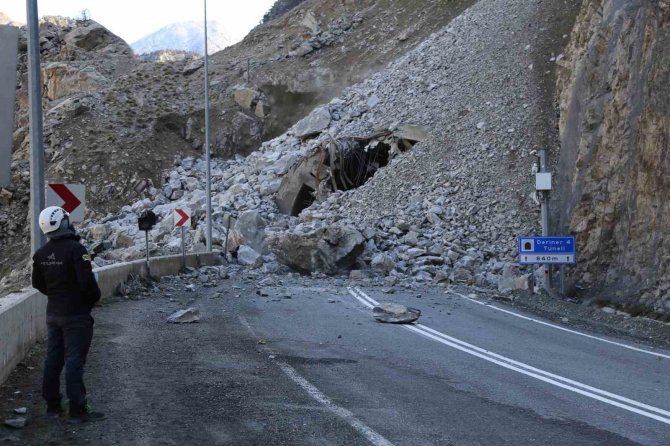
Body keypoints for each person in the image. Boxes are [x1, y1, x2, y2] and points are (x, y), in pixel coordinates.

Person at [31, 206, 104, 423]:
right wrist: (89, 302)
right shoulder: (76, 250)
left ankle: (52, 406)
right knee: (74, 361)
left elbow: (37, 283)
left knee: (53, 360)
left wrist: (56, 295)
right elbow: (88, 284)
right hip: (76, 315)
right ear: (63, 223)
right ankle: (78, 409)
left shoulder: (40, 254)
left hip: (53, 313)